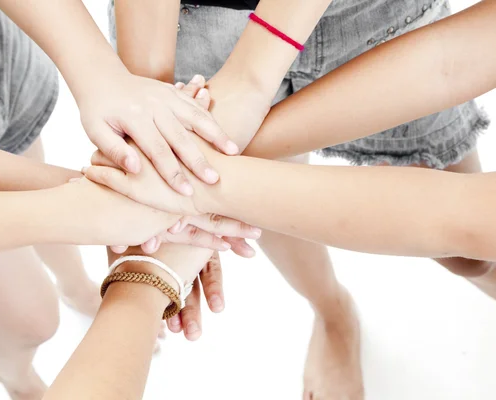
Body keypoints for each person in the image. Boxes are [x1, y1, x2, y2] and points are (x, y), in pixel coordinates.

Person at [109, 0, 490, 397]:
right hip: (185, 22)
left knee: (468, 257)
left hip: (376, 13)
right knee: (272, 212)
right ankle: (332, 312)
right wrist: (166, 151)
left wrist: (195, 177)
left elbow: (468, 220)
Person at [0, 0, 247, 397]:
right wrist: (107, 214)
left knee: (41, 187)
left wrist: (97, 197)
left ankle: (75, 282)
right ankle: (13, 374)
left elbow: (60, 204)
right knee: (34, 320)